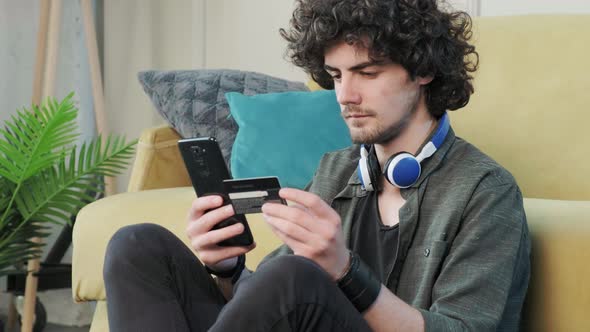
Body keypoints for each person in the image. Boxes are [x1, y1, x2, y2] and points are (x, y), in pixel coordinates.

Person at [103, 0, 530, 331]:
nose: (345, 95)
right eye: (337, 75)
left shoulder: (485, 191)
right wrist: (227, 269)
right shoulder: (339, 169)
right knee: (137, 246)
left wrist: (344, 271)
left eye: (367, 73)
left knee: (296, 276)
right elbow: (269, 304)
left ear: (423, 72)